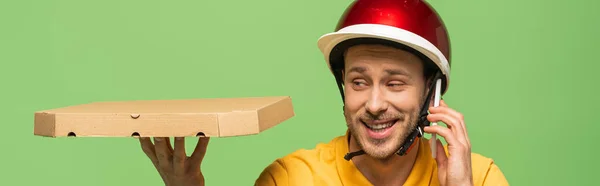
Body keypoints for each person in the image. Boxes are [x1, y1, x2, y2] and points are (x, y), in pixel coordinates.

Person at [138, 0, 509, 185]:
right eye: (359, 82)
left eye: (395, 83)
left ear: (432, 93)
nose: (374, 104)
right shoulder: (291, 178)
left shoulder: (480, 177)